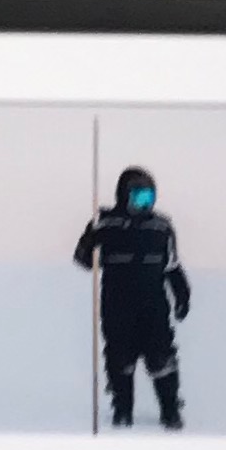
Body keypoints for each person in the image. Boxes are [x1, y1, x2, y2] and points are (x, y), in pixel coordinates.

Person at [73, 162, 192, 429]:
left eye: (149, 197)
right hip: (117, 305)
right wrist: (89, 237)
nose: (144, 204)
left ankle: (170, 410)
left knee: (161, 357)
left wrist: (182, 295)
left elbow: (172, 266)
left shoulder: (160, 227)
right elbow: (83, 259)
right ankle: (122, 410)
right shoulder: (107, 224)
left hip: (153, 306)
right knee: (120, 358)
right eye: (139, 197)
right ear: (124, 195)